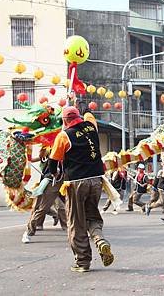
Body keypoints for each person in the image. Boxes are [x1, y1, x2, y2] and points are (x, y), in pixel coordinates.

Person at [48, 106, 114, 273]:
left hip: (76, 183)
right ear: (79, 116)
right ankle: (99, 239)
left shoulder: (63, 136)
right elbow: (89, 115)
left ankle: (83, 262)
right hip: (97, 180)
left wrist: (56, 174)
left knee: (76, 222)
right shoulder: (91, 126)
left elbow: (52, 163)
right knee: (92, 215)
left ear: (64, 121)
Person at [22, 146, 67, 243]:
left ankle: (72, 229)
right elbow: (48, 163)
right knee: (41, 209)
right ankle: (29, 231)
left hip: (63, 183)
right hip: (50, 183)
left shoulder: (66, 150)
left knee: (65, 207)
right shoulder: (50, 154)